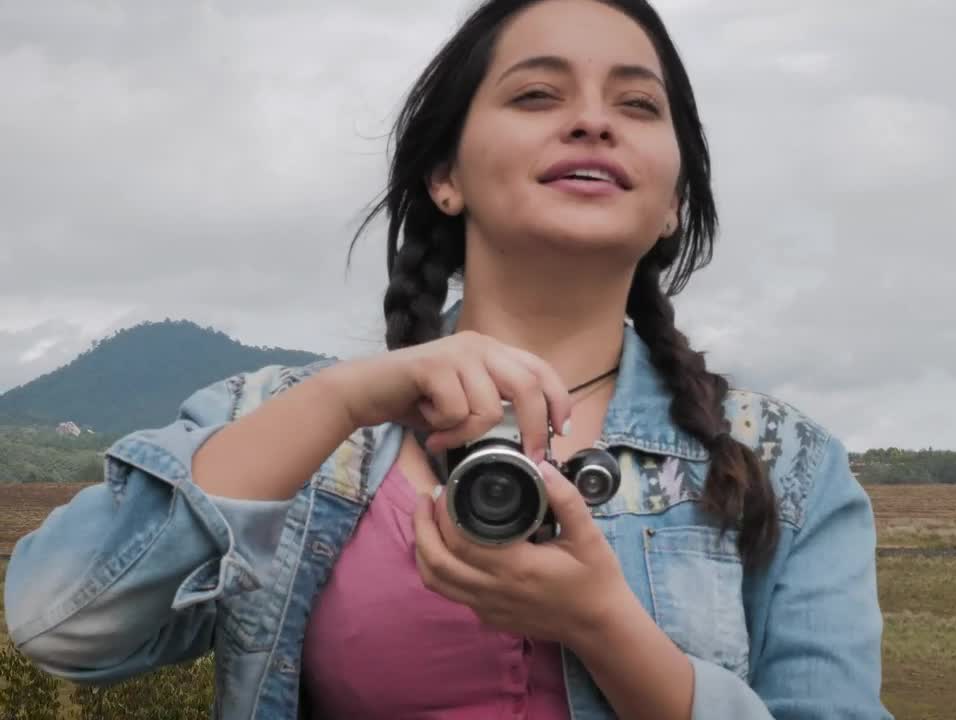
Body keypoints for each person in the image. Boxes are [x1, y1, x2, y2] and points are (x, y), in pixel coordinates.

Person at [3, 0, 892, 718]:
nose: (591, 121)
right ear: (446, 177)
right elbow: (62, 623)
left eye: (637, 104)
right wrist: (343, 400)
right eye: (537, 95)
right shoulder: (295, 420)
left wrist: (604, 629)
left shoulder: (787, 464)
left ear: (672, 204)